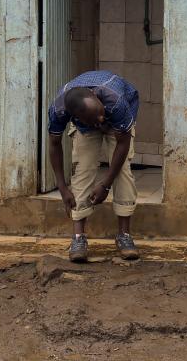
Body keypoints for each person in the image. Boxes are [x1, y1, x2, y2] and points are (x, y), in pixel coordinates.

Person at [47, 70, 141, 263]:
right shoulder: (58, 110)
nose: (100, 121)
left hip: (118, 118)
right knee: (82, 168)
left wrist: (106, 184)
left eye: (100, 114)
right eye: (94, 120)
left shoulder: (115, 102)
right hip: (85, 125)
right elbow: (54, 145)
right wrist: (62, 188)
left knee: (122, 171)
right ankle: (78, 238)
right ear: (75, 118)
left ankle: (124, 235)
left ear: (96, 98)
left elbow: (122, 144)